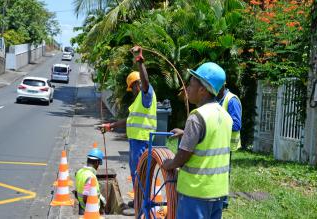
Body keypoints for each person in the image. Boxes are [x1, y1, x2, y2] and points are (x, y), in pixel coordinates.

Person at [162, 62, 232, 219]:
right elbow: (209, 139)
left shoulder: (197, 117)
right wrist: (185, 133)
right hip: (217, 192)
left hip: (196, 192)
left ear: (202, 90)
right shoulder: (225, 116)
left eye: (191, 84)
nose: (187, 88)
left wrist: (170, 164)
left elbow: (184, 154)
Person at [99, 46, 157, 208]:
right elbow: (129, 120)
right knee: (136, 173)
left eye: (132, 87)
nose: (131, 91)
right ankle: (139, 201)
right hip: (135, 141)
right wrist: (111, 125)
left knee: (140, 173)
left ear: (138, 84)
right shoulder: (139, 101)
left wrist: (140, 60)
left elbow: (145, 82)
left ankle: (141, 205)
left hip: (142, 141)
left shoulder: (147, 94)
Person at [217, 85, 242, 209]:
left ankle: (223, 201)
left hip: (227, 143)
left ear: (223, 86)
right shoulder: (217, 99)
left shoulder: (231, 100)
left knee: (223, 172)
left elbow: (236, 125)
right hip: (218, 143)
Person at [75, 148, 106, 215]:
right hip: (90, 210)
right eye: (99, 164)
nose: (98, 166)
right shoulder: (90, 177)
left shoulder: (80, 172)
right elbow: (86, 197)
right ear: (97, 162)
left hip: (82, 206)